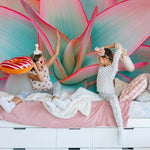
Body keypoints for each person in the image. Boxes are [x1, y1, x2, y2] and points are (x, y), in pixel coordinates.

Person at [0, 29, 71, 113]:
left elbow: (55, 54)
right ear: (35, 64)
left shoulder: (45, 67)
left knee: (57, 84)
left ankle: (55, 101)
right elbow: (41, 79)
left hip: (49, 90)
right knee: (23, 93)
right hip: (38, 91)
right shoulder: (30, 74)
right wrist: (36, 69)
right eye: (41, 62)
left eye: (44, 60)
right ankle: (10, 105)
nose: (43, 63)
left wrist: (58, 39)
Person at [95, 43, 128, 145]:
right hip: (100, 95)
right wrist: (102, 50)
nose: (98, 61)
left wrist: (120, 51)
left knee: (115, 102)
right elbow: (102, 50)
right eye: (98, 59)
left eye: (100, 59)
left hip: (109, 94)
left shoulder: (112, 68)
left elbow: (116, 55)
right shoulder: (101, 67)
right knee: (82, 93)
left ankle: (120, 129)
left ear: (107, 58)